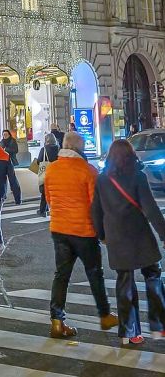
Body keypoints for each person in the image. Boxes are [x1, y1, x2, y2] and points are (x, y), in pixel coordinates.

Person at [44, 131, 118, 339]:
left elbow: (49, 199)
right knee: (95, 272)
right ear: (78, 149)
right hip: (84, 231)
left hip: (59, 229)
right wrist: (102, 233)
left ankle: (57, 322)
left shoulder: (51, 169)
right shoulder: (88, 171)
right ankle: (104, 315)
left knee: (61, 275)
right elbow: (97, 206)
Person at [93, 139, 165, 346]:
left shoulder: (102, 180)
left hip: (116, 238)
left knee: (124, 283)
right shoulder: (138, 176)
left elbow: (96, 210)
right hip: (140, 236)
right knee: (153, 276)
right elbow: (150, 209)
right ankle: (158, 326)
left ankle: (128, 331)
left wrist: (102, 235)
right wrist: (163, 233)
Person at [35, 133, 60, 216]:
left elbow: (39, 161)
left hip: (46, 173)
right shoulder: (59, 149)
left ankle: (43, 210)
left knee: (45, 192)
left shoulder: (44, 149)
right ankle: (48, 209)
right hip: (57, 174)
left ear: (46, 140)